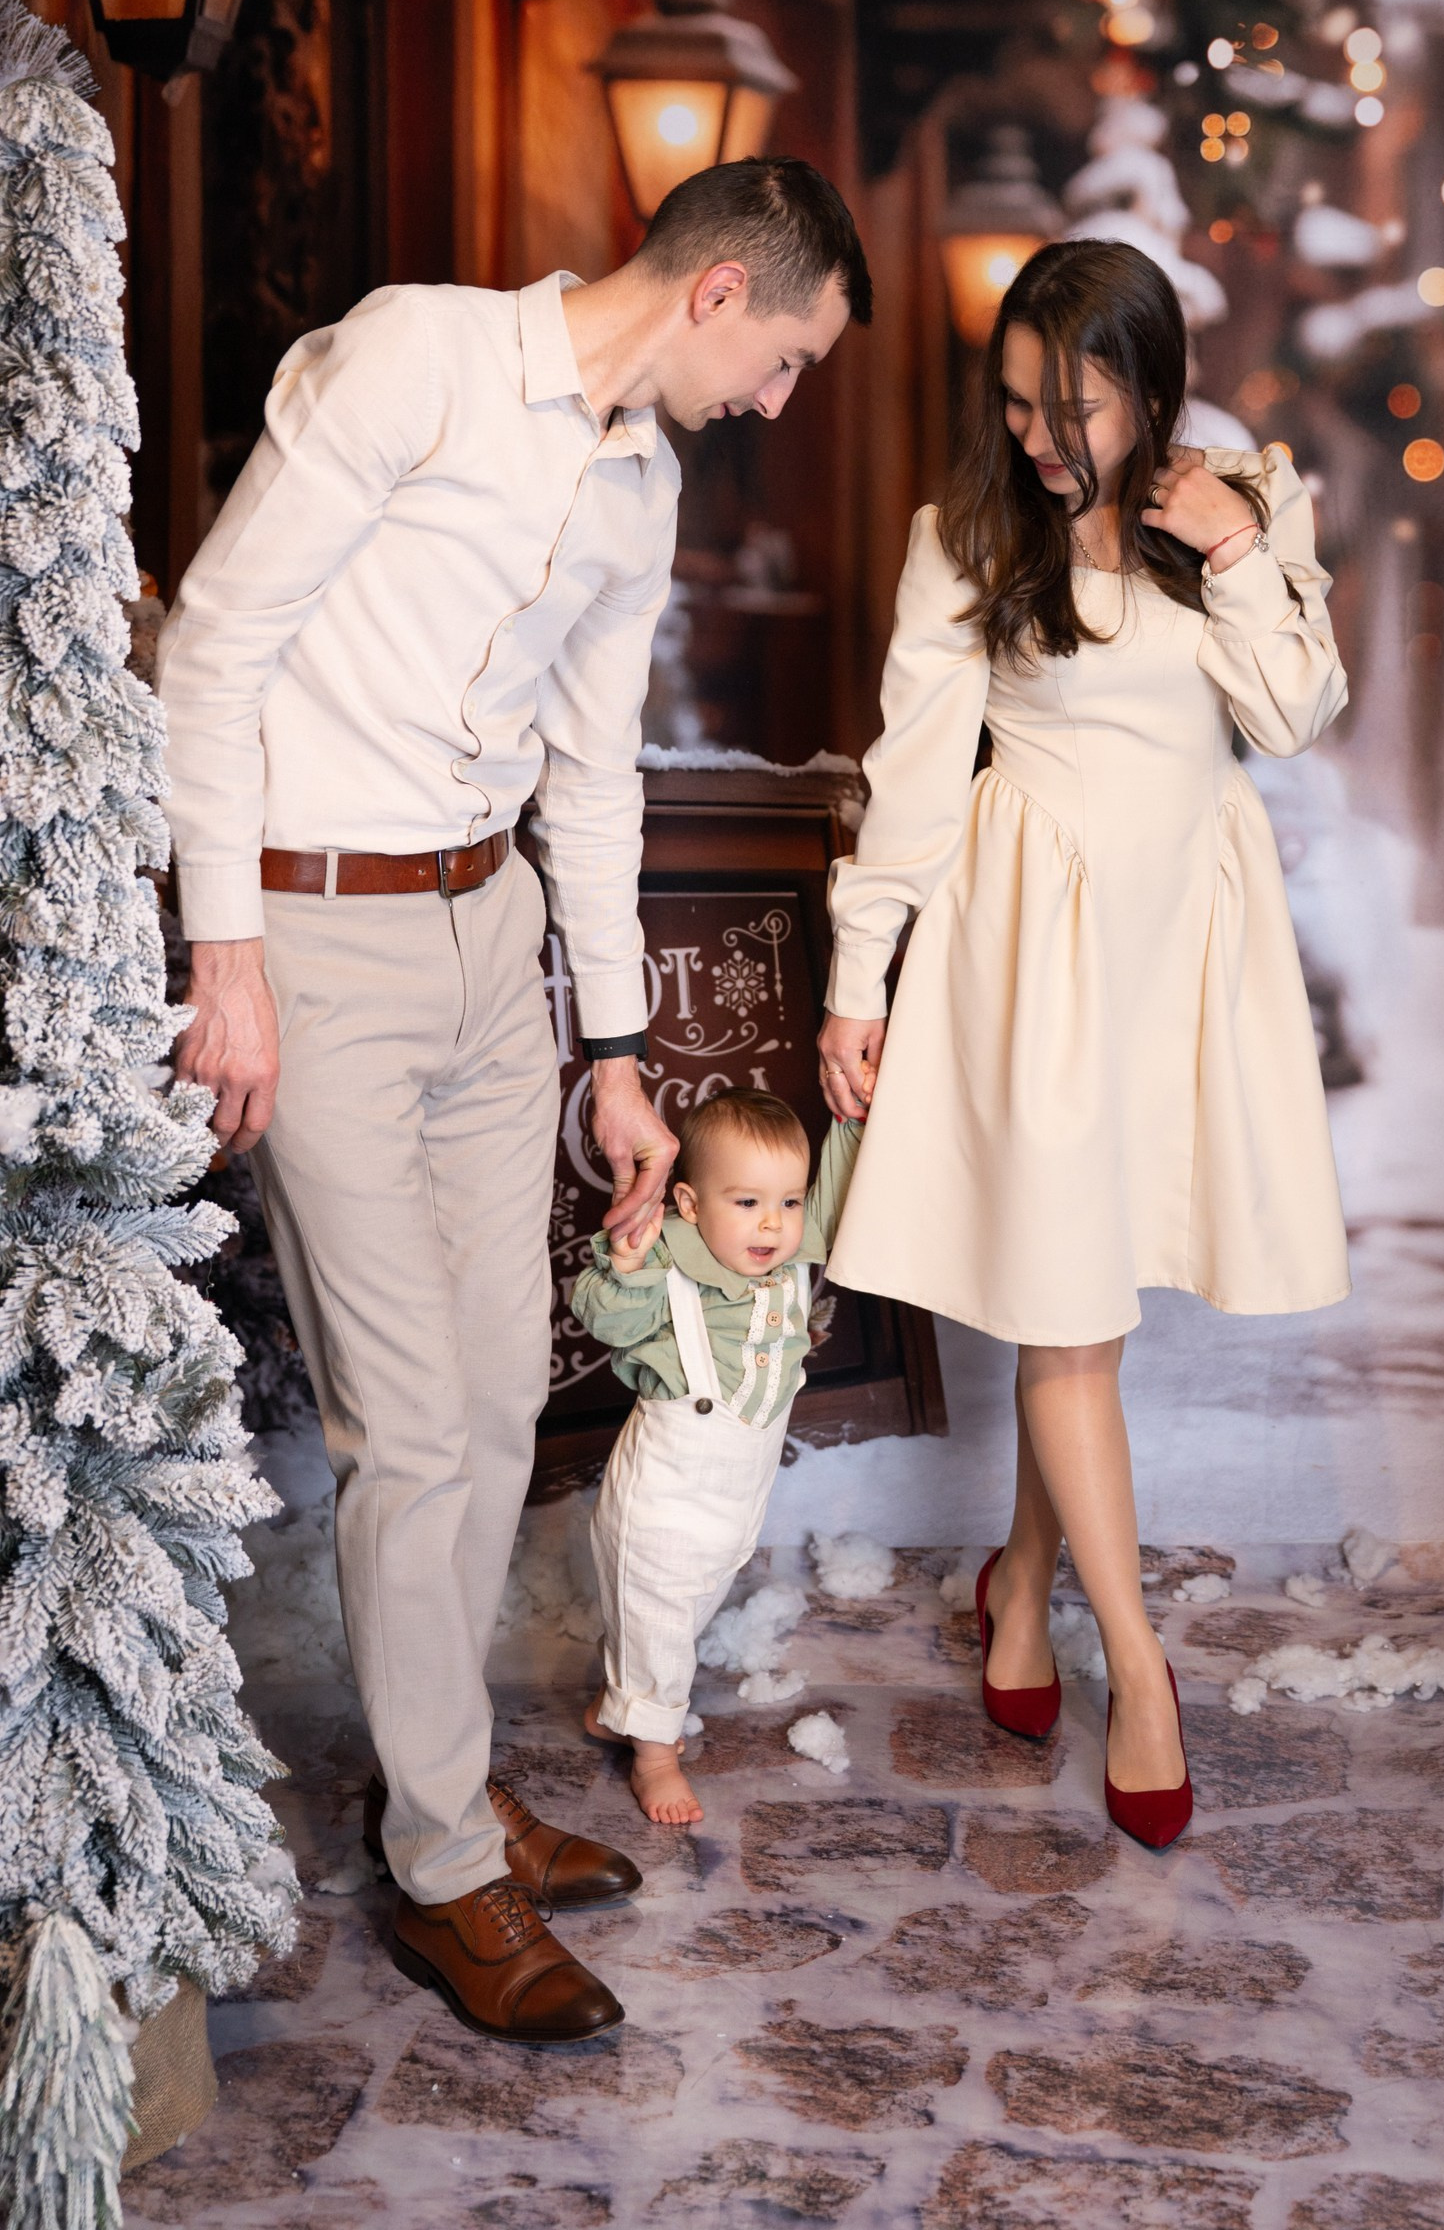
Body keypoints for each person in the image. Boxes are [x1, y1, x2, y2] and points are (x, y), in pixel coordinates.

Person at [159, 159, 872, 2043]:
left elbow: (594, 774)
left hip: (493, 944)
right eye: (785, 360)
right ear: (717, 292)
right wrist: (226, 956)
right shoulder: (419, 358)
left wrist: (615, 1051)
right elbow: (215, 639)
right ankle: (440, 1871)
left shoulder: (642, 483)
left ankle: (446, 1794)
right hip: (317, 934)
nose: (774, 402)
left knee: (492, 1407)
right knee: (410, 1431)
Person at [816, 239, 1348, 1853]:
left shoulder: (1242, 509)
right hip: (1034, 956)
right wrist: (859, 978)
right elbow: (913, 776)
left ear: (1152, 391)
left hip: (1181, 951)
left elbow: (1293, 715)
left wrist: (1235, 548)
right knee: (1067, 1321)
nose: (1040, 438)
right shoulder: (964, 541)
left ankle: (1020, 1584)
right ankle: (1138, 1669)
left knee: (1085, 1310)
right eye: (1015, 404)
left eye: (1075, 407)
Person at [571, 1090, 861, 1827]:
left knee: (683, 1613)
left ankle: (617, 1706)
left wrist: (853, 1121)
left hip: (734, 1500)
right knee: (659, 1621)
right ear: (690, 1204)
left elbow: (837, 1196)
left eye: (787, 1202)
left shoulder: (790, 1255)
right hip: (662, 1499)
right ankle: (653, 1755)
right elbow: (603, 1317)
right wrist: (628, 1264)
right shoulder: (664, 1259)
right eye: (747, 1202)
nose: (772, 1222)